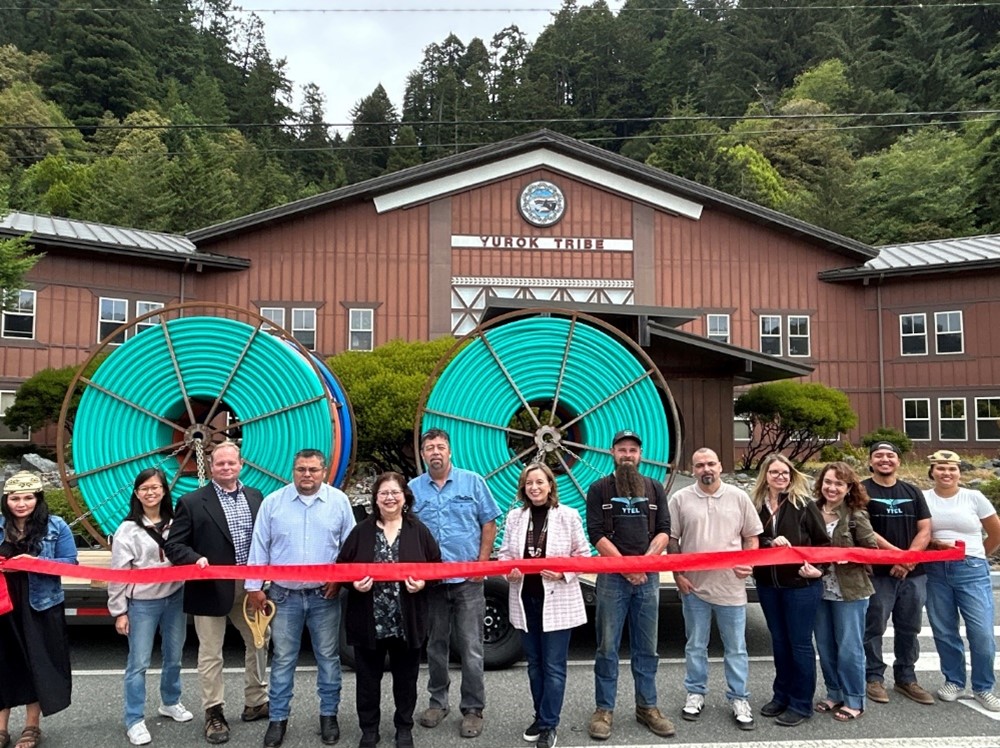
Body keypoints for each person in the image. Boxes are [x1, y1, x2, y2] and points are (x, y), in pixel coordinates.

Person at [245, 448, 355, 748]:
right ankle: (278, 720)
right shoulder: (273, 503)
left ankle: (328, 716)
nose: (307, 475)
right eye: (301, 470)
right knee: (283, 661)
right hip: (283, 596)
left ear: (324, 470)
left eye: (313, 470)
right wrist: (254, 587)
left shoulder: (339, 502)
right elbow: (259, 547)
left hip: (324, 595)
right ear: (293, 470)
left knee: (328, 659)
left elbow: (350, 549)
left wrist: (339, 580)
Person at [164, 441, 269, 745]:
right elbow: (174, 545)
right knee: (211, 654)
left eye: (231, 463)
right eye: (220, 463)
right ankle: (214, 712)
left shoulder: (255, 496)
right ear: (211, 467)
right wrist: (194, 559)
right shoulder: (192, 501)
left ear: (241, 464)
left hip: (249, 586)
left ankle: (256, 701)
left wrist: (262, 581)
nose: (226, 468)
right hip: (209, 587)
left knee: (259, 642)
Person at [408, 428, 500, 739]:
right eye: (429, 447)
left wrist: (482, 563)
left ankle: (473, 709)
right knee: (435, 646)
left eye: (441, 447)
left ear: (450, 452)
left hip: (467, 582)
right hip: (431, 584)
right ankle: (438, 702)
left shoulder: (472, 482)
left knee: (472, 648)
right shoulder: (412, 489)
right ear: (423, 454)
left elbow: (489, 521)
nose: (435, 452)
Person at [339, 472, 441, 748]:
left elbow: (436, 567)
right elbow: (342, 567)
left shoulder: (418, 530)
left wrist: (422, 584)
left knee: (406, 680)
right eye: (383, 492)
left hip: (405, 620)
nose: (389, 498)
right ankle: (369, 729)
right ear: (375, 498)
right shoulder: (361, 530)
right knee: (368, 680)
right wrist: (353, 583)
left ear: (404, 497)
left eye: (395, 492)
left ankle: (403, 728)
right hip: (368, 619)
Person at [585, 430, 674, 741]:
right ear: (612, 453)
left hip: (647, 578)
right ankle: (603, 710)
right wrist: (626, 567)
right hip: (612, 579)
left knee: (647, 648)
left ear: (640, 454)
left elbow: (664, 530)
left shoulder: (655, 488)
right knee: (607, 647)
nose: (627, 455)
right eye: (622, 449)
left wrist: (643, 566)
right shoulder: (598, 489)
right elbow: (596, 534)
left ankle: (647, 707)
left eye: (633, 450)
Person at [667, 448, 762, 731]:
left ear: (720, 466)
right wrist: (678, 575)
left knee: (736, 648)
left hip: (731, 588)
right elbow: (672, 540)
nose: (705, 469)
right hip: (694, 587)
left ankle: (739, 698)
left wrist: (749, 564)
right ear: (692, 469)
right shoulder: (680, 499)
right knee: (696, 645)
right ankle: (695, 693)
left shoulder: (739, 497)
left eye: (710, 463)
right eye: (699, 465)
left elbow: (751, 536)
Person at [498, 463, 590, 748]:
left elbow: (584, 555)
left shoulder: (568, 515)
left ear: (550, 485)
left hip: (558, 600)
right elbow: (503, 555)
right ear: (523, 488)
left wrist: (564, 573)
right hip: (526, 600)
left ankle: (550, 723)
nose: (534, 487)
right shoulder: (515, 517)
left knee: (553, 666)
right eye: (529, 483)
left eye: (540, 482)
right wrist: (509, 572)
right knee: (534, 665)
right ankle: (539, 716)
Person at [109, 468, 193, 746]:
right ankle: (134, 719)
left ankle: (170, 701)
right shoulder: (127, 530)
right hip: (142, 603)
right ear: (136, 493)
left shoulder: (178, 523)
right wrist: (119, 611)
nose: (150, 492)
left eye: (156, 487)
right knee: (139, 663)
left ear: (165, 491)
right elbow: (119, 573)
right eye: (144, 488)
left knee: (175, 655)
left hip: (175, 599)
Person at [750, 453, 829, 727]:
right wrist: (769, 542)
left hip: (800, 585)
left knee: (800, 644)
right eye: (774, 473)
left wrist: (820, 570)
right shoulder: (756, 505)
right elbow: (750, 538)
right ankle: (781, 695)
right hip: (768, 585)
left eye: (785, 473)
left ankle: (801, 703)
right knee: (779, 643)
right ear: (766, 476)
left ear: (791, 475)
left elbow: (823, 543)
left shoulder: (804, 505)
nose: (780, 477)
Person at [0, 471, 77, 748]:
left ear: (38, 498)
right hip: (4, 605)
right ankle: (1, 728)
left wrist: (36, 560)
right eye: (14, 498)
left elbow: (70, 563)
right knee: (4, 664)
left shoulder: (56, 526)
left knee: (38, 664)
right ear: (6, 500)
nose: (21, 503)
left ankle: (32, 726)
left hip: (41, 605)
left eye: (28, 497)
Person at [922, 449, 1000, 712]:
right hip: (935, 570)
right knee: (944, 630)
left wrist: (976, 556)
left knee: (981, 633)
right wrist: (935, 545)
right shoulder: (923, 498)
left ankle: (983, 687)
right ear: (932, 471)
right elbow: (920, 533)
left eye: (952, 468)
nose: (947, 473)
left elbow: (995, 532)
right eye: (941, 468)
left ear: (959, 471)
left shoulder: (973, 497)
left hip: (972, 569)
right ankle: (954, 680)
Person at [861, 441, 933, 706]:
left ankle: (906, 678)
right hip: (878, 574)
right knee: (874, 626)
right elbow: (865, 530)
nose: (884, 460)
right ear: (870, 462)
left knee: (909, 627)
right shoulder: (861, 490)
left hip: (913, 574)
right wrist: (898, 556)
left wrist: (908, 560)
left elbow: (925, 529)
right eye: (878, 456)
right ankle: (874, 677)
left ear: (898, 461)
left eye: (890, 455)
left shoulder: (912, 491)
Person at [812, 462, 878, 722]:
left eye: (839, 483)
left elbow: (871, 551)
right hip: (819, 589)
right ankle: (834, 691)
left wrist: (848, 558)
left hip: (850, 590)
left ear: (849, 487)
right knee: (826, 646)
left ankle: (854, 699)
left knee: (849, 648)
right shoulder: (812, 511)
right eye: (828, 482)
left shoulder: (856, 515)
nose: (832, 487)